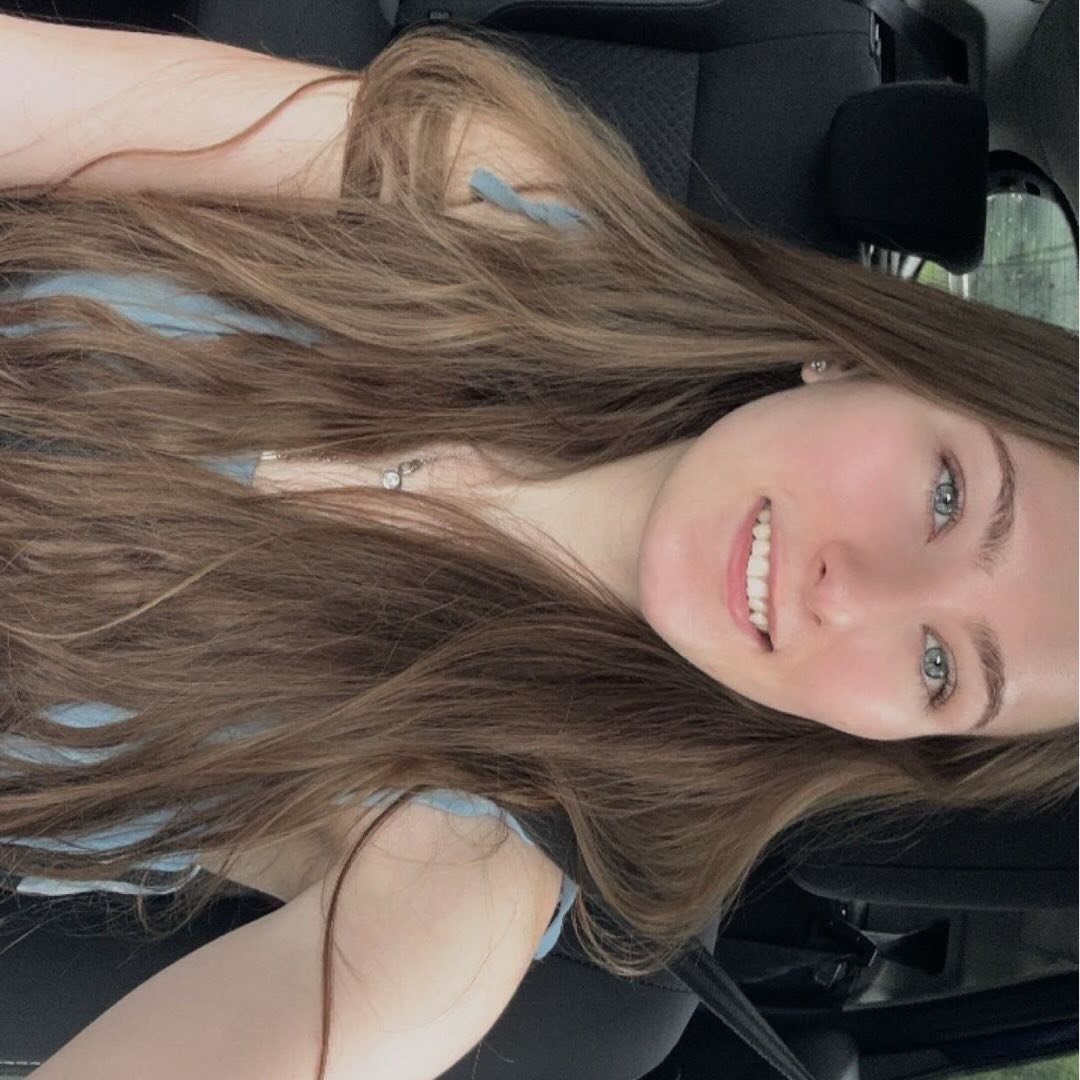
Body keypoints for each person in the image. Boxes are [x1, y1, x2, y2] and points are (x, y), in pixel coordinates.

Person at [0, 14, 1075, 1080]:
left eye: (940, 667)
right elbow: (36, 95)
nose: (851, 595)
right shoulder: (484, 185)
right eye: (948, 495)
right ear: (867, 359)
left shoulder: (459, 887)